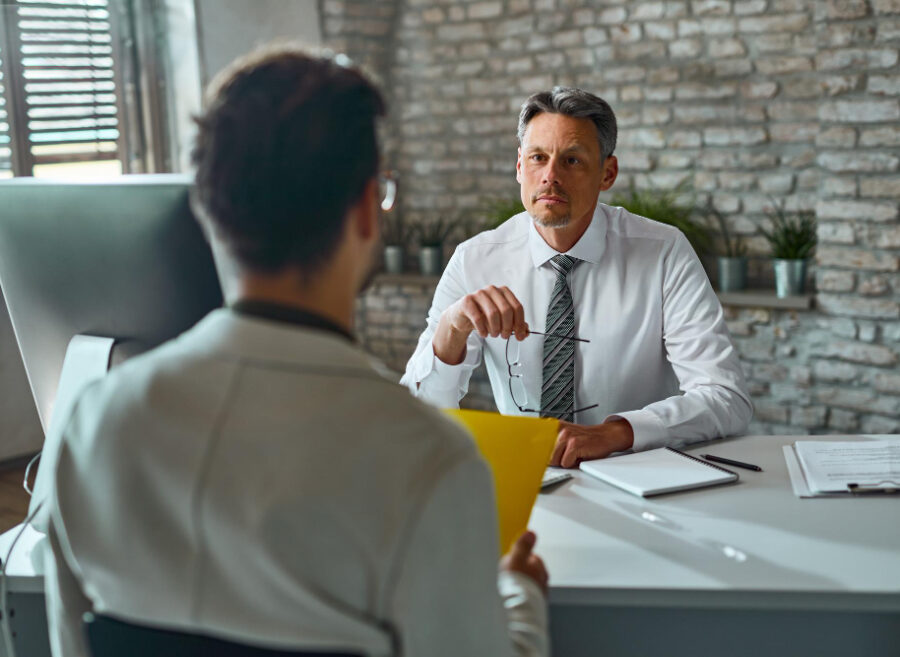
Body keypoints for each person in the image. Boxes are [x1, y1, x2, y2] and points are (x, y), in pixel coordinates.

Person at [40, 47, 548, 657]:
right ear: (366, 210)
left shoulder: (90, 423)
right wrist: (517, 597)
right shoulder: (429, 460)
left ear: (208, 210)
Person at [401, 86, 752, 468]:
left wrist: (615, 434)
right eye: (538, 158)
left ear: (607, 173)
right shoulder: (474, 260)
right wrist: (451, 330)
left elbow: (725, 396)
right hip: (529, 483)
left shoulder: (664, 252)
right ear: (520, 166)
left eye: (572, 161)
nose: (550, 176)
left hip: (642, 476)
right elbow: (420, 416)